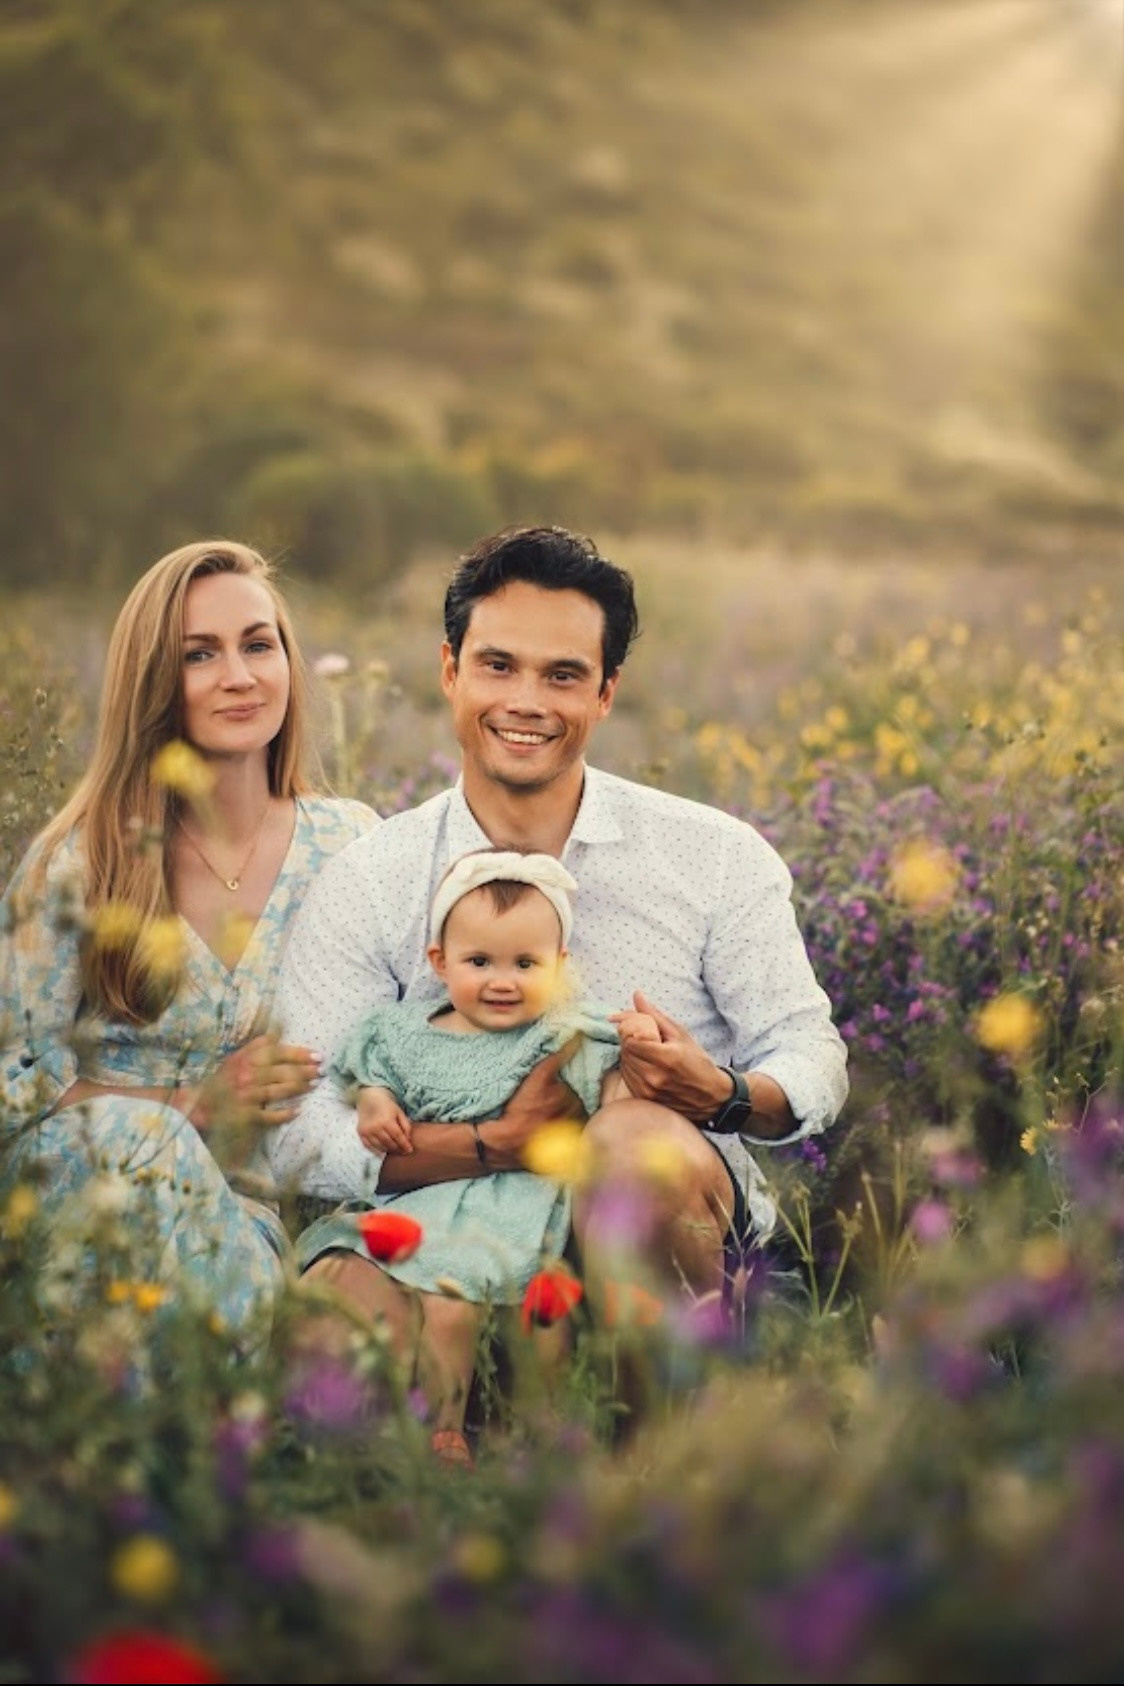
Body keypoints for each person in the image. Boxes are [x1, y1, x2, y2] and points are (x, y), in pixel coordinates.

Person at [262, 523, 848, 1401]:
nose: (526, 700)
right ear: (449, 670)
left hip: (670, 1249)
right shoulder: (377, 877)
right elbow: (301, 1125)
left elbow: (811, 1058)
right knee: (324, 1334)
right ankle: (433, 1490)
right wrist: (496, 1145)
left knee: (635, 1143)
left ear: (607, 692)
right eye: (499, 665)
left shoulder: (712, 854)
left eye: (563, 674)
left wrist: (716, 1092)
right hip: (445, 1238)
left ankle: (663, 1457)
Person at [0, 539, 378, 1352]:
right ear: (153, 687)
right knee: (151, 1150)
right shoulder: (83, 862)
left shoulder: (352, 847)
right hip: (93, 1203)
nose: (238, 676)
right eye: (198, 655)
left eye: (257, 644)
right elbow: (12, 1083)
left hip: (268, 1216)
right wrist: (192, 1112)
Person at [299, 843, 659, 1462]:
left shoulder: (564, 1029)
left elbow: (615, 1066)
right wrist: (377, 1104)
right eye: (479, 961)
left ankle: (545, 1432)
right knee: (447, 1304)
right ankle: (445, 1428)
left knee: (549, 1317)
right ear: (439, 961)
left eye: (526, 963)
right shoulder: (406, 1031)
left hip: (527, 1207)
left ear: (559, 963)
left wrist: (641, 1039)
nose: (502, 980)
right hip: (435, 1201)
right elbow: (367, 1073)